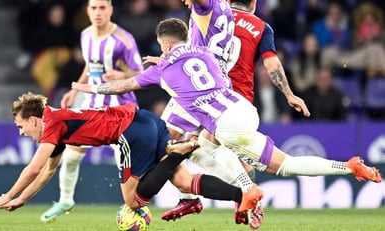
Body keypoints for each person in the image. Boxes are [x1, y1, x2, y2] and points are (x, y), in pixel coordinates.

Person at [72, 17, 382, 221]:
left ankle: (248, 189)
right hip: (244, 108)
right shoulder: (204, 52)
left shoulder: (161, 70)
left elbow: (123, 85)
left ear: (164, 44)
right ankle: (349, 166)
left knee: (199, 149)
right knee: (285, 164)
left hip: (224, 122)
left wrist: (87, 87)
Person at [0, 93, 260, 222]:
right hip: (147, 120)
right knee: (186, 184)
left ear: (33, 119)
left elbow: (33, 168)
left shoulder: (51, 122)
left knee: (133, 199)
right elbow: (45, 172)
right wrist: (22, 199)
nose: (21, 133)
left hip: (130, 132)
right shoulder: (57, 128)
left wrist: (8, 194)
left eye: (21, 126)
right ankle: (242, 196)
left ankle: (180, 151)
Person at [141, 0, 258, 224]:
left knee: (163, 144)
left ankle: (243, 190)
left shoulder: (207, 6)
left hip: (197, 87)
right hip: (210, 81)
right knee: (190, 148)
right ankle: (203, 195)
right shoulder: (221, 8)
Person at [41, 0, 144, 223]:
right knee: (71, 155)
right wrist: (75, 90)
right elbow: (90, 66)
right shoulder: (86, 34)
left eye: (102, 8)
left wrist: (121, 76)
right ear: (88, 11)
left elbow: (140, 74)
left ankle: (136, 207)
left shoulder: (123, 40)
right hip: (92, 104)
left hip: (120, 108)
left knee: (126, 164)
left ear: (111, 10)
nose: (98, 12)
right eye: (93, 8)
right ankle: (66, 200)